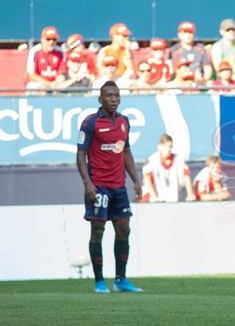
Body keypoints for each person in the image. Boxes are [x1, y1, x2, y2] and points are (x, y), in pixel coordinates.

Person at [76, 81, 143, 293]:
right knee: (98, 230)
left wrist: (135, 180)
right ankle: (99, 281)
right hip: (98, 186)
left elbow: (125, 152)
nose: (113, 99)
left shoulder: (124, 122)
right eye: (109, 95)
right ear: (100, 99)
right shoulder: (90, 123)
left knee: (124, 229)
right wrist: (87, 183)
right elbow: (80, 154)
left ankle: (121, 280)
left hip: (119, 187)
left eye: (116, 95)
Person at [141, 134, 196, 202]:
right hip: (153, 197)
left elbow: (186, 176)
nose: (168, 149)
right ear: (159, 147)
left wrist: (190, 194)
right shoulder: (152, 160)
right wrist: (154, 196)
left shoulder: (179, 160)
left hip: (172, 196)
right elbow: (147, 179)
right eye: (165, 146)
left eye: (170, 146)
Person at [25, 26, 66, 90]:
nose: (51, 42)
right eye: (48, 39)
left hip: (54, 83)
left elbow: (62, 74)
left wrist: (56, 83)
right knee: (42, 88)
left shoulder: (60, 52)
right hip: (38, 83)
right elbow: (31, 76)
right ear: (42, 39)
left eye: (54, 39)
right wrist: (48, 84)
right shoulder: (34, 51)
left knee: (64, 86)